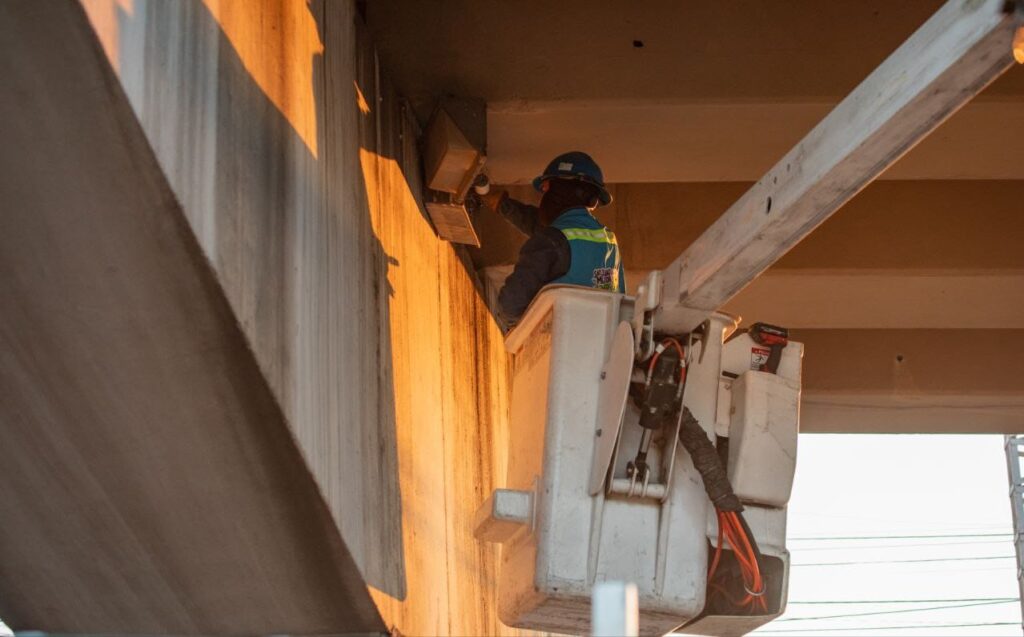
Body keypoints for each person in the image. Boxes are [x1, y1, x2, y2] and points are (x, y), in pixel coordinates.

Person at [480, 151, 625, 325]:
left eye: (547, 189)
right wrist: (503, 206)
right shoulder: (608, 242)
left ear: (561, 190)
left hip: (559, 342)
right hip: (603, 344)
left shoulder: (550, 241)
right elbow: (550, 232)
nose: (544, 197)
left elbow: (511, 305)